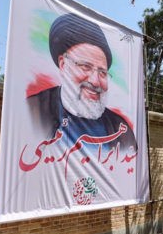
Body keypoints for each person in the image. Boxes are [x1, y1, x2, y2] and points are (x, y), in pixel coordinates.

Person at [27, 13, 137, 155]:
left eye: (102, 73)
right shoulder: (31, 111)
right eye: (85, 66)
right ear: (63, 64)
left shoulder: (121, 130)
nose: (95, 81)